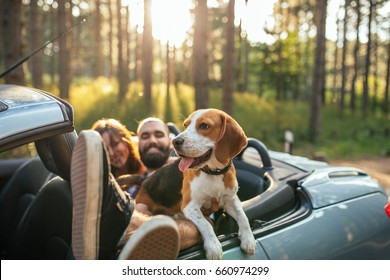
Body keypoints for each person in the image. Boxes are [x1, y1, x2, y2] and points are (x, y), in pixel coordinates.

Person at [71, 118, 202, 260]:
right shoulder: (132, 184)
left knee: (198, 227)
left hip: (187, 224)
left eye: (159, 135)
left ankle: (128, 226)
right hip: (137, 234)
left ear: (171, 142)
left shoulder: (187, 170)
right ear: (137, 144)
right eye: (145, 136)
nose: (152, 140)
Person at [91, 118, 146, 197]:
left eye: (115, 144)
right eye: (105, 150)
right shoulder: (102, 182)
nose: (111, 153)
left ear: (126, 140)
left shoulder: (147, 161)